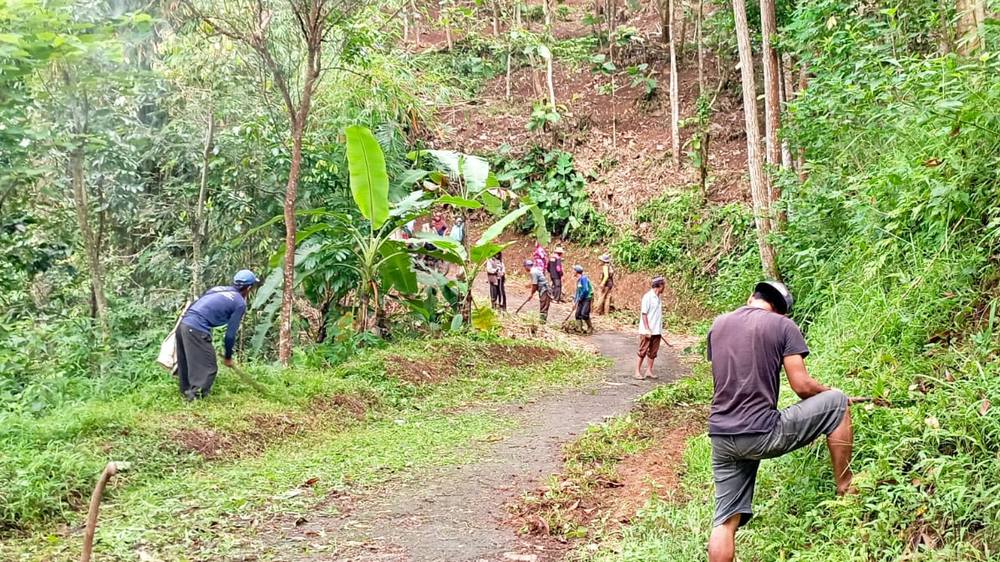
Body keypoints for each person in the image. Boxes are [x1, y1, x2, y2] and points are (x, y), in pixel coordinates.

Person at [706, 281, 854, 562]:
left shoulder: (719, 324)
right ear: (782, 311)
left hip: (721, 435)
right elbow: (801, 385)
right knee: (837, 403)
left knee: (725, 520)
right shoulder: (783, 326)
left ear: (752, 297)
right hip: (762, 430)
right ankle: (846, 486)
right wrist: (831, 391)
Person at [176, 270, 258, 401]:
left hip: (183, 324)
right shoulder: (239, 303)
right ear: (248, 288)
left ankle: (185, 393)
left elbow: (198, 305)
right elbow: (230, 335)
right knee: (209, 367)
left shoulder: (218, 289)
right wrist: (228, 357)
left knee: (187, 362)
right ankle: (195, 399)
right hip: (196, 328)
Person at [635, 276, 666, 379]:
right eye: (663, 285)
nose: (664, 287)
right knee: (642, 350)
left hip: (657, 330)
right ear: (660, 285)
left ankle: (649, 371)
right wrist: (647, 328)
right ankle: (637, 372)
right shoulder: (648, 297)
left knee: (653, 352)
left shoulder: (658, 298)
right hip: (647, 331)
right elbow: (644, 314)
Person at [572, 265, 593, 334]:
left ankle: (590, 327)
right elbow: (578, 292)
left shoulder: (584, 278)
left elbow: (586, 290)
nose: (572, 271)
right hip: (581, 298)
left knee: (584, 314)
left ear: (576, 272)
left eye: (573, 270)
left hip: (587, 298)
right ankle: (579, 329)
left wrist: (580, 298)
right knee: (577, 314)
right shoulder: (578, 280)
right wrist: (575, 302)